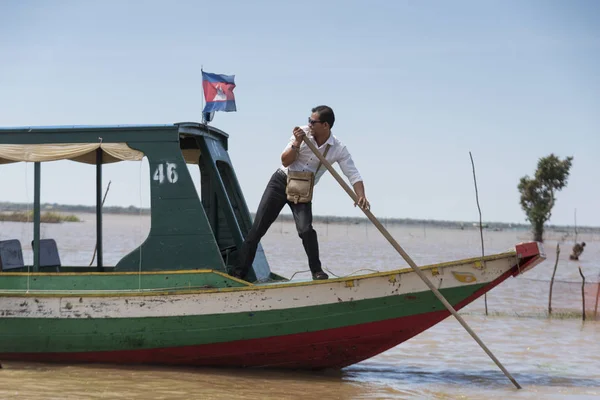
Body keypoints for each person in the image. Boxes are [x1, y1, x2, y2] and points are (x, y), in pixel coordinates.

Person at [231, 105, 369, 281]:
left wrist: (361, 195)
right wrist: (297, 143)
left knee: (305, 230)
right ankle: (238, 274)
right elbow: (285, 161)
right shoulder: (302, 134)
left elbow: (353, 173)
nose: (309, 124)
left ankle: (317, 272)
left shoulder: (338, 148)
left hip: (303, 190)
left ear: (325, 125)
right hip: (281, 182)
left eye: (313, 121)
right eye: (308, 120)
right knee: (257, 229)